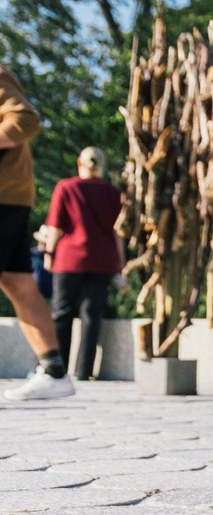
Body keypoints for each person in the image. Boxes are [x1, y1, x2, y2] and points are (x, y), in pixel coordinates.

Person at [0, 63, 74, 400]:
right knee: (18, 282)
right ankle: (54, 371)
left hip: (3, 196)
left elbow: (25, 121)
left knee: (18, 284)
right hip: (10, 196)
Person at [43, 146, 125, 381]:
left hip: (69, 259)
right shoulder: (112, 193)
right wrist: (120, 262)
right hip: (103, 261)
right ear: (102, 165)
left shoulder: (66, 187)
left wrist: (49, 252)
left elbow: (56, 227)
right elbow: (119, 232)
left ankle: (57, 369)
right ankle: (84, 371)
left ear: (80, 163)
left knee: (62, 313)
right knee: (91, 315)